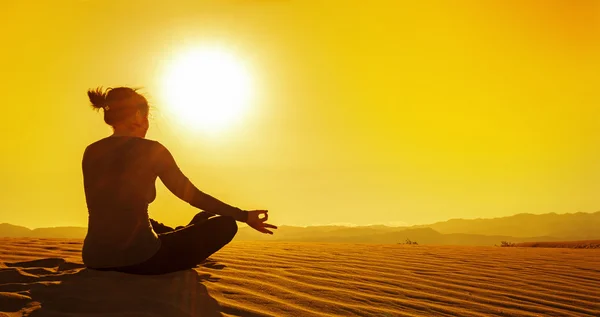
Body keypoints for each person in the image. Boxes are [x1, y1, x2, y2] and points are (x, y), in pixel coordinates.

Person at [81, 86, 277, 275]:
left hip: (95, 258)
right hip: (142, 259)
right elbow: (192, 195)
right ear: (138, 116)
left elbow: (113, 208)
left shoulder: (91, 151)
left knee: (201, 218)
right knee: (226, 224)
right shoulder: (151, 150)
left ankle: (180, 232)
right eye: (147, 117)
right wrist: (244, 216)